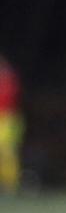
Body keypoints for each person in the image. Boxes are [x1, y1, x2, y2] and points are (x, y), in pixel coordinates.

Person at [0, 54, 25, 194]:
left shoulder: (9, 79)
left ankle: (10, 185)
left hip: (8, 119)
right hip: (4, 118)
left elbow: (10, 100)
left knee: (7, 152)